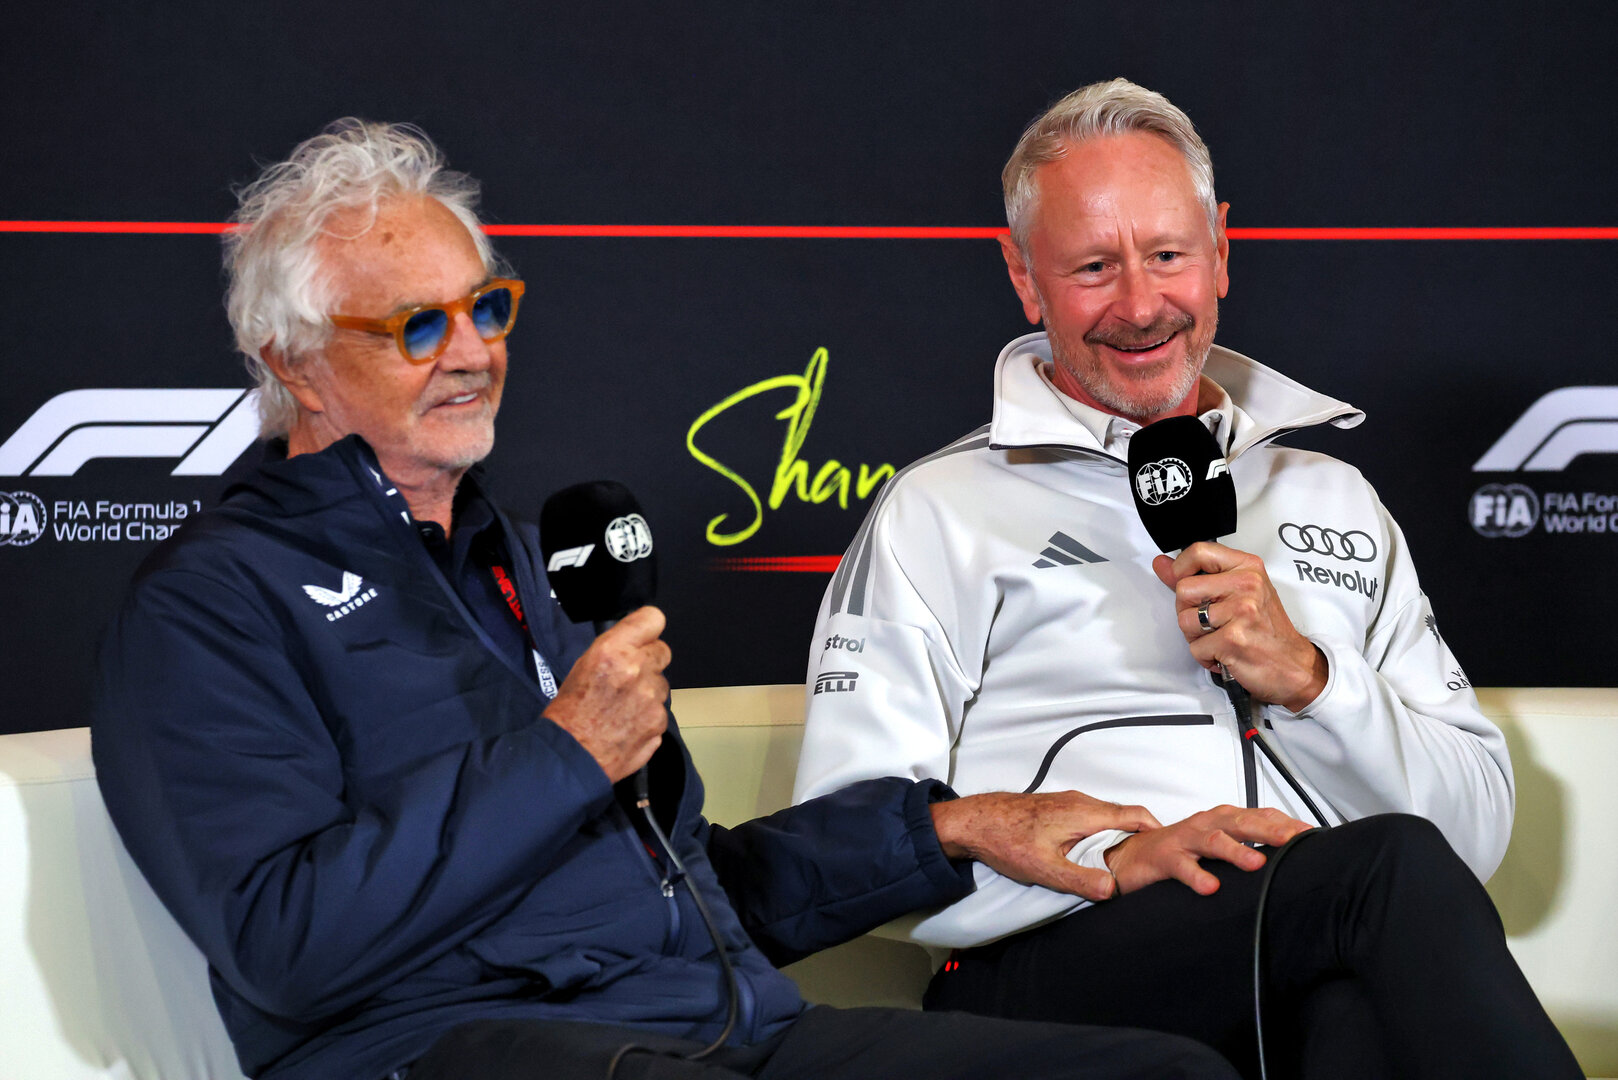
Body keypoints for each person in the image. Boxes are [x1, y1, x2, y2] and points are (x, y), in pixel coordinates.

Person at [90, 119, 1239, 1080]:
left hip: (717, 1030)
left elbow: (689, 883)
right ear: (292, 361)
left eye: (485, 309)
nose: (471, 353)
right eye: (415, 325)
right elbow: (281, 944)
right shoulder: (210, 606)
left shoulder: (537, 568)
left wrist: (954, 828)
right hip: (450, 1052)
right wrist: (563, 753)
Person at [794, 80, 1582, 1079]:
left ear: (1219, 250)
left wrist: (1311, 680)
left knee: (1351, 1014)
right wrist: (1108, 865)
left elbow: (1469, 832)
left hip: (1318, 944)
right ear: (1024, 280)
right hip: (1037, 972)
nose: (1139, 305)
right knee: (1380, 875)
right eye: (1091, 267)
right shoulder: (936, 510)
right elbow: (840, 840)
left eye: (1166, 255)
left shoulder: (1332, 497)